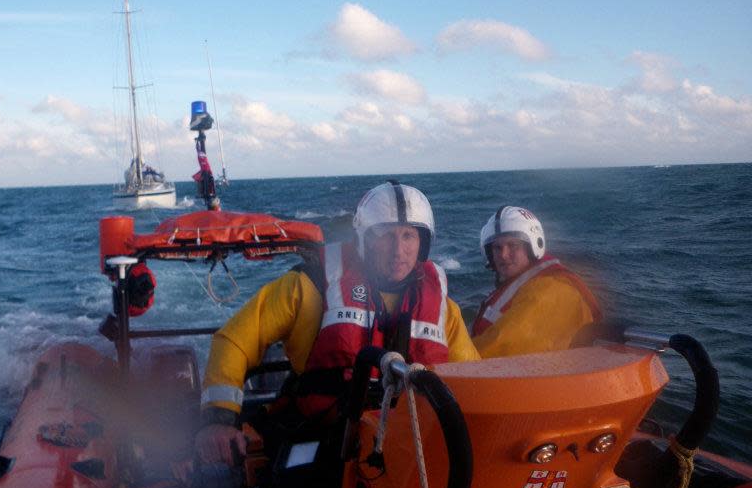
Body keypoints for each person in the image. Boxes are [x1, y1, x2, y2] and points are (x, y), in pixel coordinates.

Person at [195, 181, 479, 466]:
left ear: (423, 243)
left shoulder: (444, 310)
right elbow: (234, 340)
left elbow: (476, 377)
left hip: (407, 447)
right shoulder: (311, 286)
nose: (398, 250)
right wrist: (219, 417)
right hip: (320, 435)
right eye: (386, 236)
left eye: (408, 236)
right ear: (365, 240)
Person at [470, 205, 601, 358]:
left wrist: (444, 362)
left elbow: (503, 346)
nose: (503, 255)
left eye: (513, 246)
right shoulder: (526, 283)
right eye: (497, 248)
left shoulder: (550, 290)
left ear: (533, 246)